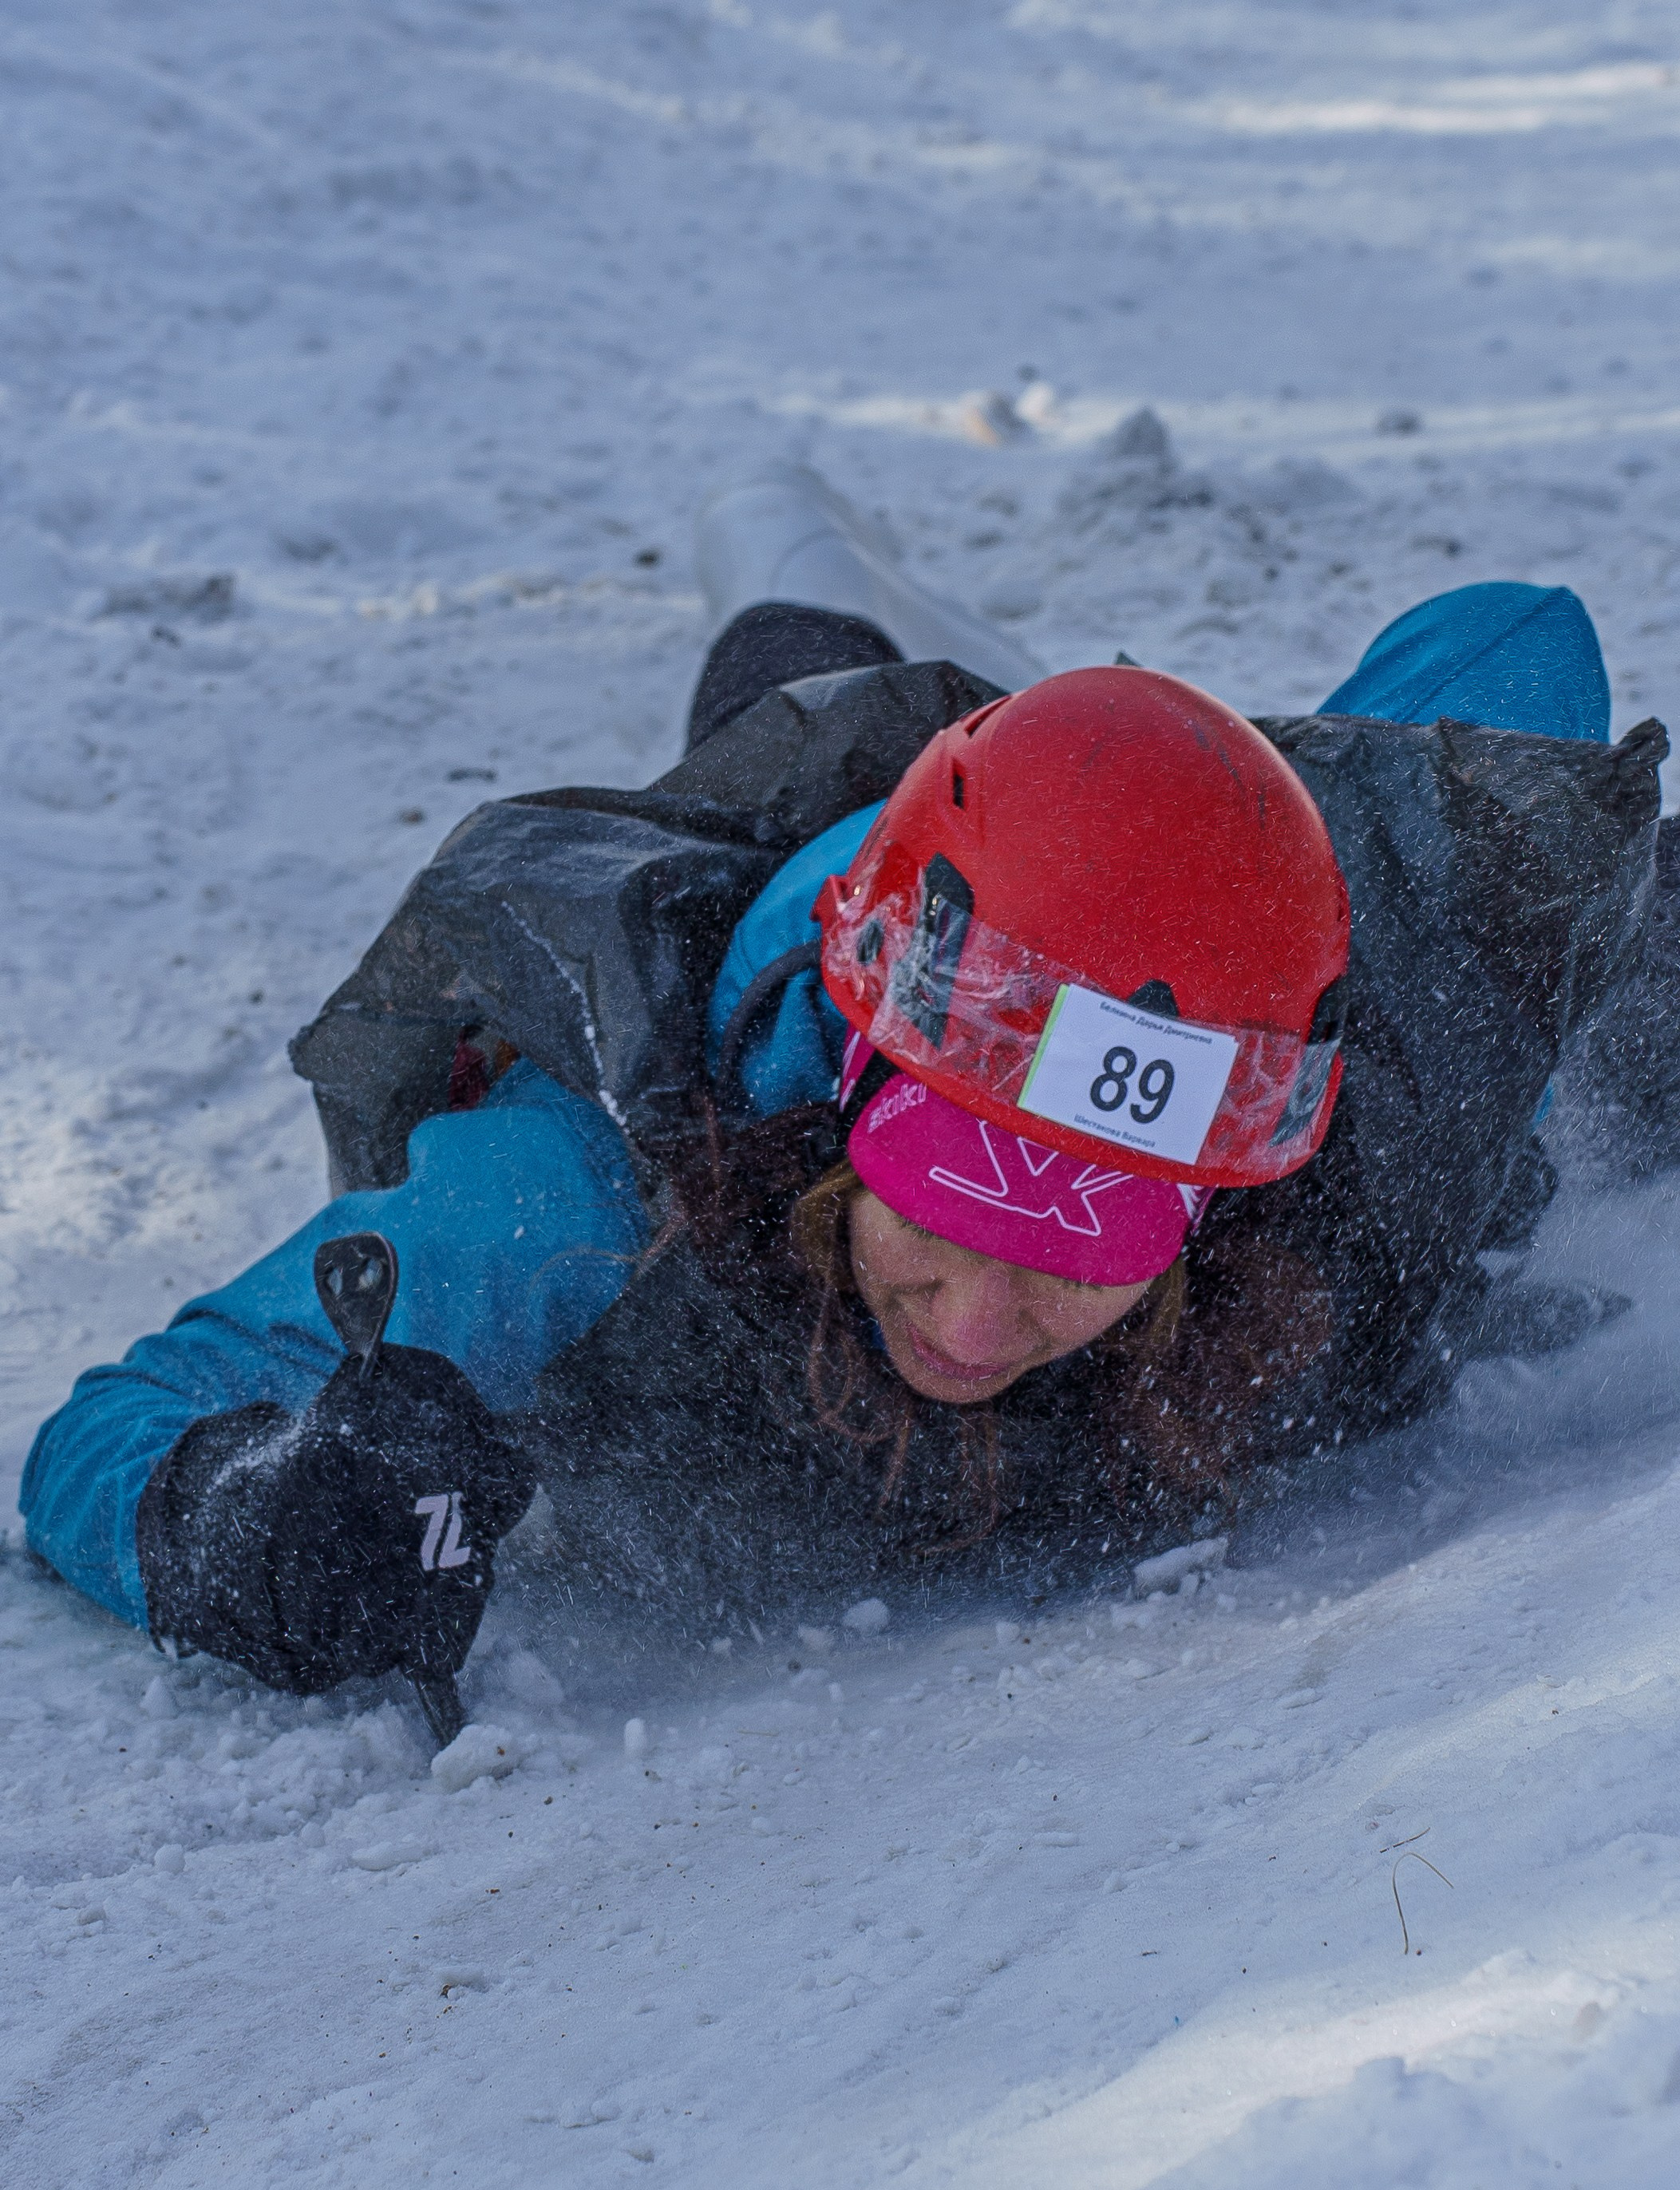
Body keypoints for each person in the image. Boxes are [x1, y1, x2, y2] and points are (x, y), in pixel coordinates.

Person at [19, 465, 1668, 1733]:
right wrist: (249, 1528)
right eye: (940, 1200)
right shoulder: (584, 1188)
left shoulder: (1336, 1040)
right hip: (815, 833)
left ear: (1210, 1186)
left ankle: (1089, 752)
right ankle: (777, 522)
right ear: (853, 1094)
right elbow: (101, 1433)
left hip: (1089, 853)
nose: (979, 1310)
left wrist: (1245, 814)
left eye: (1087, 1235)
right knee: (786, 709)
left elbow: (1523, 636)